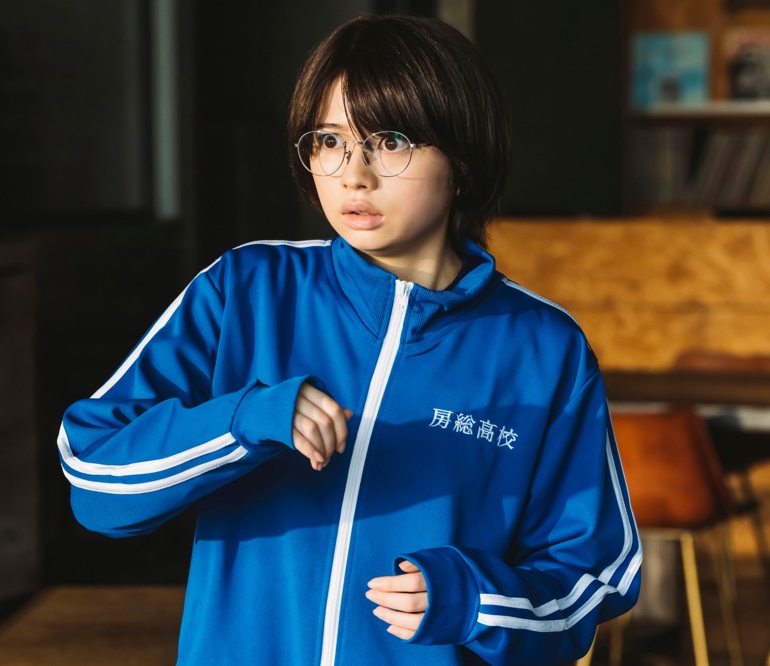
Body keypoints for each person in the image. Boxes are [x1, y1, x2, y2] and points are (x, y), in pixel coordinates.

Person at [58, 12, 640, 666]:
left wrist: (476, 599)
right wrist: (241, 421)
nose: (353, 175)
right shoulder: (247, 291)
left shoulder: (544, 349)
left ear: (462, 158)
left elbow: (595, 579)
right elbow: (95, 481)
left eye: (390, 141)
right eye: (330, 141)